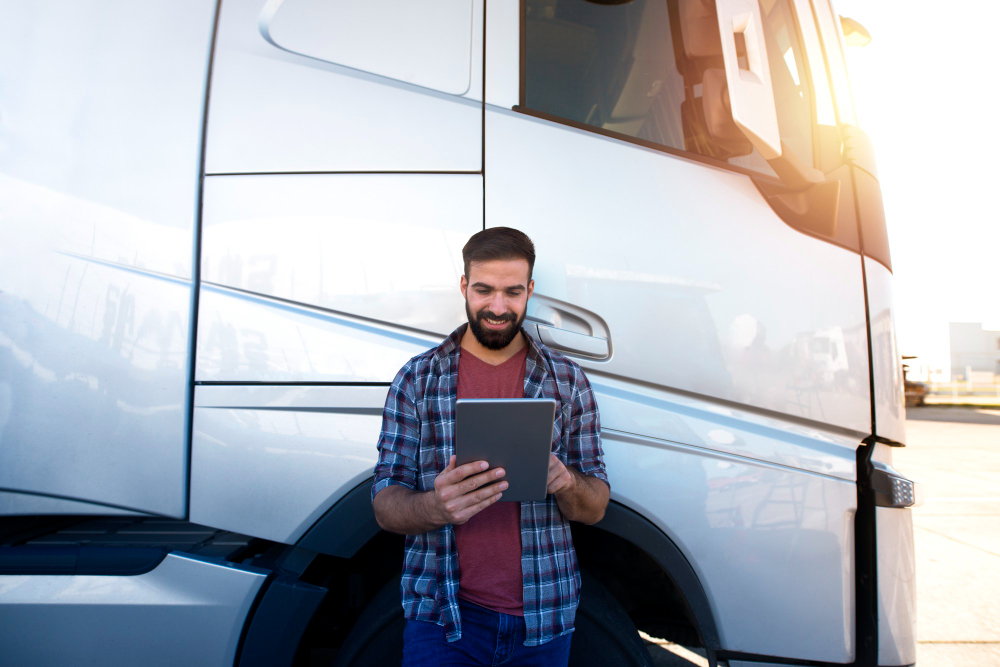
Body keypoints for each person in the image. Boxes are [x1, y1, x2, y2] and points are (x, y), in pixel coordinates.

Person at [371, 227, 610, 667]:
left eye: (512, 292)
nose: (498, 307)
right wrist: (435, 507)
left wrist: (565, 482)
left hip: (544, 620)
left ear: (530, 291)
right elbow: (385, 505)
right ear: (464, 286)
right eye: (484, 290)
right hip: (441, 619)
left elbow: (594, 508)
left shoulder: (568, 381)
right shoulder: (417, 379)